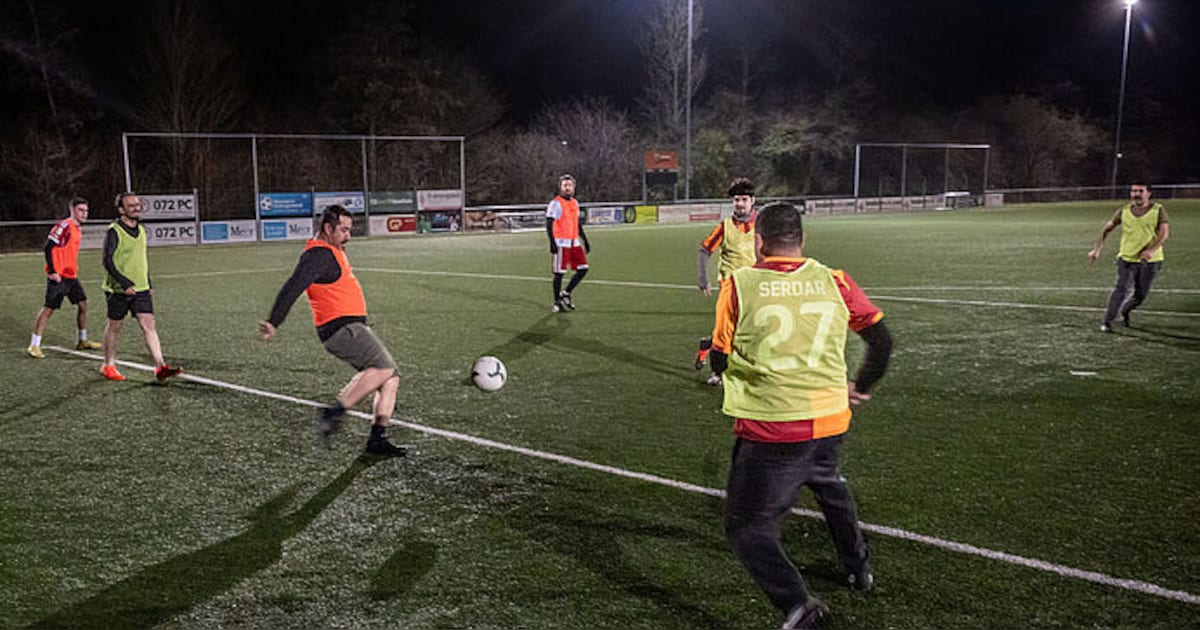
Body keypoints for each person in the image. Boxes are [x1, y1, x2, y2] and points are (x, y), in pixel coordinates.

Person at [711, 202, 893, 629]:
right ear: (802, 241)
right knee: (828, 483)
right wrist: (860, 387)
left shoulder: (740, 284)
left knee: (746, 527)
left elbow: (719, 357)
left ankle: (799, 606)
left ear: (758, 242)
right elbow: (882, 343)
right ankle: (858, 566)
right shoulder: (835, 280)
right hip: (830, 416)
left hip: (773, 424)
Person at [259, 205, 407, 456]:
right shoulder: (318, 255)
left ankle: (377, 439)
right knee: (383, 369)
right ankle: (334, 412)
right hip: (341, 329)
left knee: (390, 379)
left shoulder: (332, 251)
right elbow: (293, 286)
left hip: (351, 327)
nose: (348, 236)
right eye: (344, 230)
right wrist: (274, 321)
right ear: (328, 228)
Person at [99, 193, 183, 382]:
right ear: (121, 210)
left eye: (137, 204)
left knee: (149, 325)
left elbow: (141, 261)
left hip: (141, 288)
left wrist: (148, 282)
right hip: (118, 290)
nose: (136, 208)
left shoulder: (142, 230)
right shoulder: (114, 231)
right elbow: (107, 260)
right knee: (115, 327)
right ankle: (108, 365)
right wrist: (124, 282)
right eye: (131, 205)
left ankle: (160, 366)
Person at [694, 178, 758, 386]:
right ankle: (717, 373)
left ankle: (707, 345)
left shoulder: (762, 226)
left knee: (749, 330)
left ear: (752, 201)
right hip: (730, 285)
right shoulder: (725, 227)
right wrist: (704, 279)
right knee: (724, 330)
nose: (739, 203)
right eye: (736, 199)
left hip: (756, 286)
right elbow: (704, 250)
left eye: (744, 199)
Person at [1087, 182, 1170, 333]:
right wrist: (1096, 249)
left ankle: (1125, 310)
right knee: (1121, 289)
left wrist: (1150, 250)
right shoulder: (1123, 211)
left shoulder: (1158, 209)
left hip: (1150, 261)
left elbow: (1164, 234)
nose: (1136, 194)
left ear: (1148, 193)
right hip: (1126, 259)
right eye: (1133, 191)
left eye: (1140, 191)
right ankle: (1107, 322)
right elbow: (1107, 229)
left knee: (1140, 295)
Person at [27, 197, 103, 358]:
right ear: (72, 210)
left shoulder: (77, 229)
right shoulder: (64, 226)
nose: (85, 214)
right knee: (48, 309)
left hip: (71, 276)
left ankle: (82, 340)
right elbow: (48, 247)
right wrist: (53, 271)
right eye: (81, 210)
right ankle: (34, 345)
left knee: (83, 305)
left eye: (86, 211)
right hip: (59, 276)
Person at [545, 173, 590, 313]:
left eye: (570, 185)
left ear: (574, 187)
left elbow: (577, 224)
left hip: (574, 243)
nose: (567, 188)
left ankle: (566, 293)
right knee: (559, 273)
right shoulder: (556, 203)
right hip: (561, 243)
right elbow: (549, 224)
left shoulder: (575, 203)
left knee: (583, 268)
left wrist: (585, 240)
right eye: (565, 185)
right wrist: (552, 243)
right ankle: (556, 302)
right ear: (560, 187)